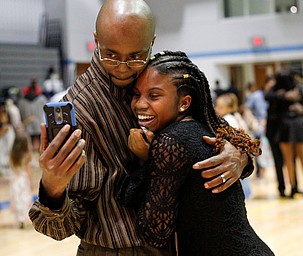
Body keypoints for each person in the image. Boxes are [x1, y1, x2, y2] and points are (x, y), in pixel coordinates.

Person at [29, 1, 255, 255]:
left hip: (176, 245)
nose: (123, 67)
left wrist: (238, 153)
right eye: (111, 54)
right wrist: (52, 188)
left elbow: (213, 125)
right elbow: (59, 229)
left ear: (151, 43)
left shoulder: (161, 75)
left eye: (135, 56)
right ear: (96, 40)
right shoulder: (79, 110)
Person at [119, 51, 273, 255]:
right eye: (136, 94)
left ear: (184, 103)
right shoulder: (210, 125)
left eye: (154, 95)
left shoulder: (170, 140)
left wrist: (145, 162)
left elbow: (154, 232)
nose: (140, 104)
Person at [273, 71, 303, 198]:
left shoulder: (278, 90)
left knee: (289, 159)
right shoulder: (297, 88)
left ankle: (293, 187)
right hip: (297, 123)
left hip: (285, 124)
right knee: (301, 156)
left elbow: (274, 108)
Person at [215, 93, 252, 199]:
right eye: (216, 106)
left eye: (220, 107)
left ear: (229, 108)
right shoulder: (233, 117)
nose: (217, 109)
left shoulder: (228, 119)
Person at [9, 130, 33, 229]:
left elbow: (12, 167)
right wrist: (31, 182)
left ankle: (20, 219)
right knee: (24, 199)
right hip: (23, 179)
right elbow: (28, 170)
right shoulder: (27, 155)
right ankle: (23, 218)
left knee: (17, 199)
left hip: (14, 179)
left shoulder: (11, 154)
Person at [18, 77, 47, 151]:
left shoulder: (21, 101)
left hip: (28, 127)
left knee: (30, 145)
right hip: (39, 125)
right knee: (40, 144)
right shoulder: (42, 99)